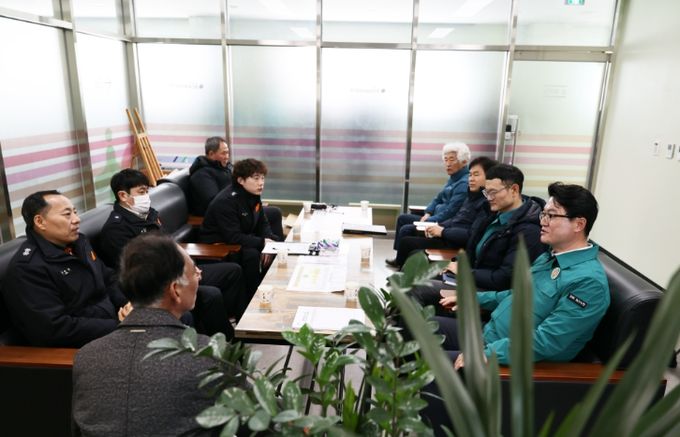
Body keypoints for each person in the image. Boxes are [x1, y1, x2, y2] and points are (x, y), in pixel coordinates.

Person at [419, 183, 610, 434]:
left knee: (434, 366)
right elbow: (515, 294)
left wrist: (488, 352)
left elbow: (548, 341)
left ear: (579, 224)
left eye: (551, 215)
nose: (543, 221)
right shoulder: (550, 257)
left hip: (509, 358)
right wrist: (474, 299)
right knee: (420, 327)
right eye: (544, 214)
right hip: (489, 333)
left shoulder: (588, 283)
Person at [72, 234, 219, 436]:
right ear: (175, 290)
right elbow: (254, 420)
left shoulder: (86, 356)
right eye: (195, 271)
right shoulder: (207, 354)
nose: (199, 276)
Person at [97, 169, 246, 336]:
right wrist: (184, 275)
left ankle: (238, 325)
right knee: (210, 294)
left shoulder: (149, 215)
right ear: (123, 196)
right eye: (141, 192)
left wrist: (190, 268)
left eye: (147, 191)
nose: (146, 196)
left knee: (232, 271)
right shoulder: (116, 230)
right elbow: (142, 271)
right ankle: (219, 341)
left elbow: (169, 246)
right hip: (159, 284)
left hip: (175, 270)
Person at [1, 191, 129, 347]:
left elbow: (108, 278)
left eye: (75, 212)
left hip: (114, 325)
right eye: (67, 215)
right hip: (82, 345)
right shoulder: (27, 269)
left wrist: (128, 304)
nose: (76, 219)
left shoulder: (79, 243)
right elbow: (55, 329)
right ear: (40, 222)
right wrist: (119, 326)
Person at [439, 163, 546, 291]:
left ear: (514, 190)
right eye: (486, 192)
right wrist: (456, 263)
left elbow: (505, 279)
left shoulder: (529, 230)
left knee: (421, 288)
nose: (489, 198)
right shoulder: (491, 213)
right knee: (423, 277)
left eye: (493, 192)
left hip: (490, 292)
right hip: (474, 279)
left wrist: (465, 272)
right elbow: (471, 249)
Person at [390, 156, 496, 268]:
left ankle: (402, 271)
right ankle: (402, 269)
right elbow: (454, 217)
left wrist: (442, 231)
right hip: (448, 235)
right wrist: (437, 225)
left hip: (455, 243)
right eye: (470, 175)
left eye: (476, 175)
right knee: (408, 237)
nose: (471, 179)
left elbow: (470, 234)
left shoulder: (486, 204)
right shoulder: (471, 197)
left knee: (408, 243)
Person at [201, 158, 281, 299]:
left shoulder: (253, 194)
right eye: (256, 178)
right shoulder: (226, 201)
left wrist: (269, 241)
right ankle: (252, 298)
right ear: (241, 180)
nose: (261, 183)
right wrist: (262, 242)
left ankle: (272, 286)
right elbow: (232, 236)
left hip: (239, 238)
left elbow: (262, 223)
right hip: (220, 245)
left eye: (262, 178)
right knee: (251, 254)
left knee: (274, 244)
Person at [387, 142, 470, 267]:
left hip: (442, 222)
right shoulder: (453, 178)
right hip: (434, 217)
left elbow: (450, 212)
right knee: (402, 218)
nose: (447, 163)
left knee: (406, 229)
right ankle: (400, 256)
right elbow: (438, 198)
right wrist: (428, 213)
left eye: (452, 159)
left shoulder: (463, 183)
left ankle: (401, 262)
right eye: (445, 159)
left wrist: (429, 220)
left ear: (463, 161)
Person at [189, 136, 284, 239]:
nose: (227, 156)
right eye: (223, 153)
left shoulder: (225, 168)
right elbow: (215, 202)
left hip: (239, 205)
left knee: (272, 214)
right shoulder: (202, 174)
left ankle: (278, 246)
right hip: (226, 214)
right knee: (272, 214)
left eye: (228, 153)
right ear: (211, 154)